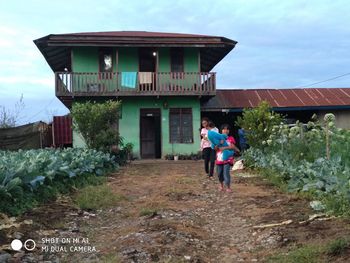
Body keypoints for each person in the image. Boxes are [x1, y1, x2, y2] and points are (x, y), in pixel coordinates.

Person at [215, 124, 240, 192]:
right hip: (219, 159)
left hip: (228, 158)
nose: (225, 130)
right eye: (224, 129)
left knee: (226, 173)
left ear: (229, 131)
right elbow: (216, 148)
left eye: (227, 129)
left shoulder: (231, 138)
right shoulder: (218, 138)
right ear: (221, 130)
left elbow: (232, 147)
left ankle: (228, 187)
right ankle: (221, 185)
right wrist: (219, 144)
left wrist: (224, 148)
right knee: (219, 173)